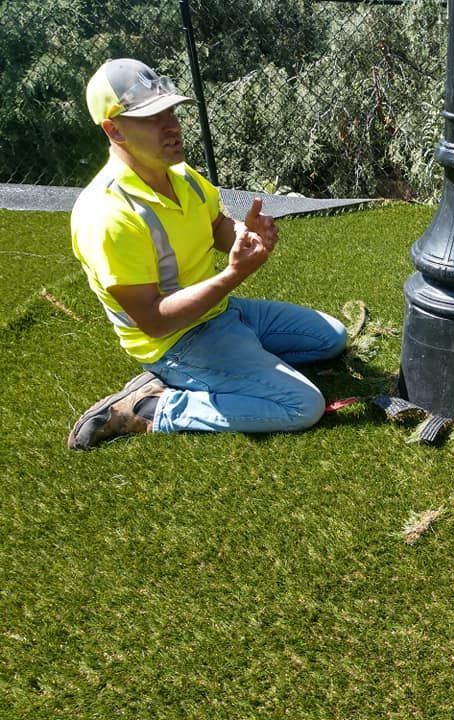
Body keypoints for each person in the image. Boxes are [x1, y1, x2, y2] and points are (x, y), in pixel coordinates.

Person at [68, 58, 347, 450]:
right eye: (151, 117)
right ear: (114, 130)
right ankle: (151, 408)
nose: (171, 126)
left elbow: (217, 227)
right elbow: (153, 321)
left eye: (170, 111)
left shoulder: (182, 177)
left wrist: (246, 235)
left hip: (221, 312)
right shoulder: (108, 215)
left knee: (331, 338)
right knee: (302, 405)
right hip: (176, 343)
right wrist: (232, 274)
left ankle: (237, 356)